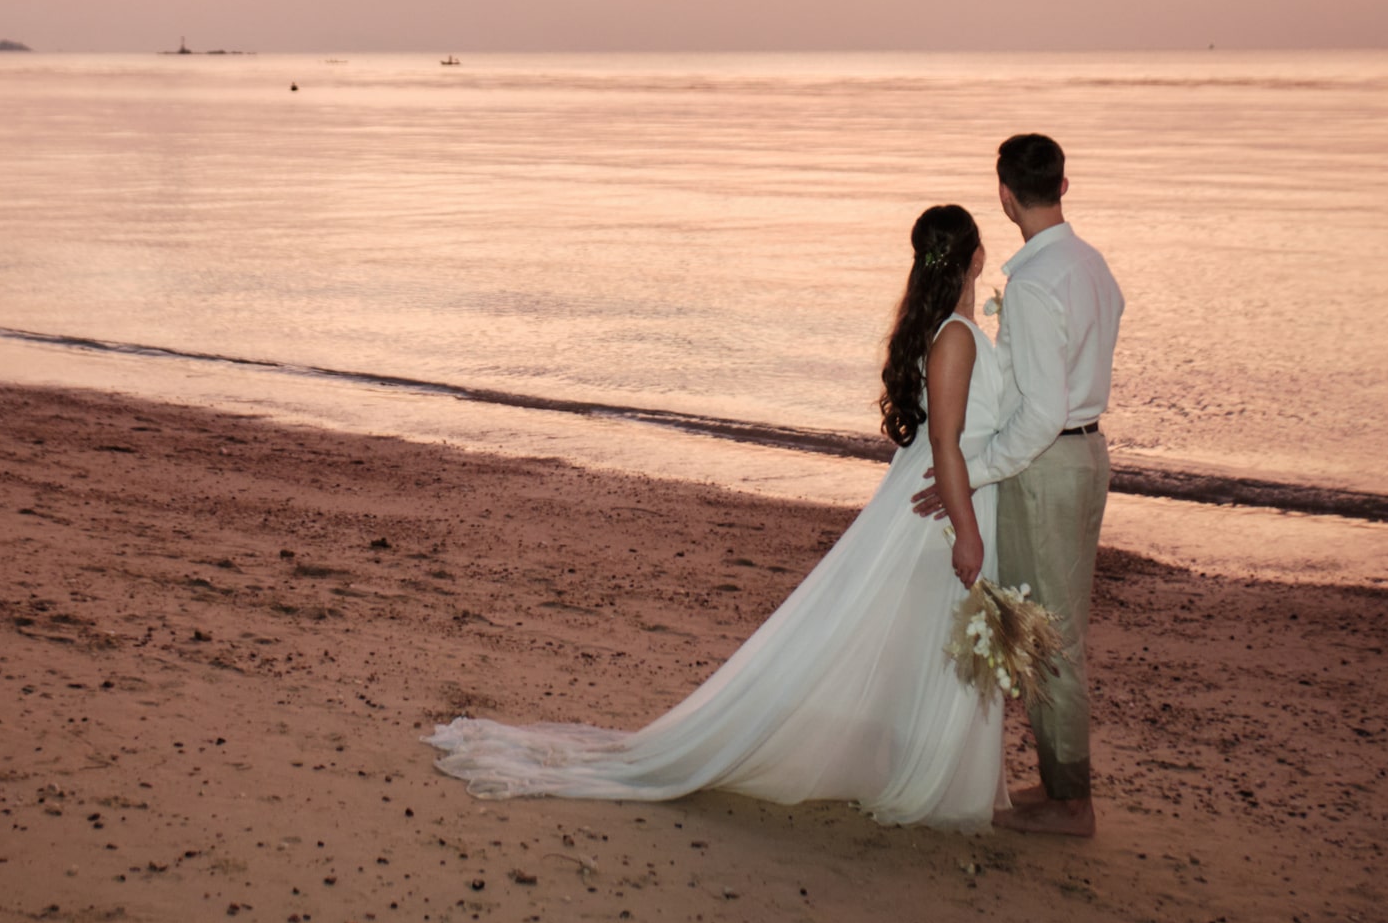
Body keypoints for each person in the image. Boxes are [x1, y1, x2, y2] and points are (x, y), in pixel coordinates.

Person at [423, 205, 1014, 830]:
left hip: (940, 499)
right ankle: (913, 773)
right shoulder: (955, 336)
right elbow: (947, 442)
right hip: (939, 509)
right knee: (914, 637)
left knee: (918, 640)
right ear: (975, 258)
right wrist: (969, 531)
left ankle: (911, 765)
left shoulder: (954, 333)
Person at [912, 133, 1123, 837]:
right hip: (1089, 455)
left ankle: (1071, 801)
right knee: (1052, 625)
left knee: (1049, 634)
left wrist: (966, 477)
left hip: (1049, 465)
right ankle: (1060, 782)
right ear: (1064, 185)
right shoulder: (1091, 264)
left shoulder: (1033, 283)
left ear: (1005, 195)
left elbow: (1037, 415)